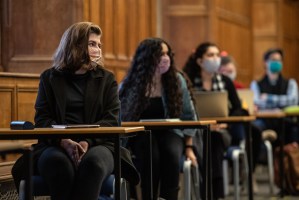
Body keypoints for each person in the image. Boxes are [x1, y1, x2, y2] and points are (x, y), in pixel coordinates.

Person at [11, 22, 139, 200]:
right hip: (55, 144)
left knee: (92, 164)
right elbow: (43, 119)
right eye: (92, 44)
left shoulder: (107, 79)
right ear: (76, 45)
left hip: (99, 144)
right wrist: (64, 142)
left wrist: (86, 142)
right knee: (59, 165)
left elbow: (111, 119)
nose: (98, 50)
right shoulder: (49, 78)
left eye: (99, 45)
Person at [119, 37, 197, 200]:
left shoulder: (176, 80)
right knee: (150, 155)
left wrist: (189, 147)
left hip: (171, 131)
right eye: (160, 54)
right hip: (141, 134)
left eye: (167, 54)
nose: (165, 58)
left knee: (171, 153)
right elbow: (120, 117)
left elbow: (189, 116)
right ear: (147, 57)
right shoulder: (131, 82)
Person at [183, 42, 262, 198]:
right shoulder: (188, 81)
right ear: (199, 61)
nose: (216, 59)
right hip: (196, 133)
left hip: (222, 131)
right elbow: (183, 110)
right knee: (209, 138)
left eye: (217, 55)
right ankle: (209, 192)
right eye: (211, 55)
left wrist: (226, 122)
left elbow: (239, 109)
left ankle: (213, 193)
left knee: (215, 138)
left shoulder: (225, 81)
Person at [250, 48, 299, 146]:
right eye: (273, 59)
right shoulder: (256, 84)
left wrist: (269, 98)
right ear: (265, 63)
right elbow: (256, 102)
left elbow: (293, 100)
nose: (276, 62)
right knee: (255, 128)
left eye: (279, 60)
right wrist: (280, 102)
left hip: (286, 121)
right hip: (265, 121)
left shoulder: (291, 83)